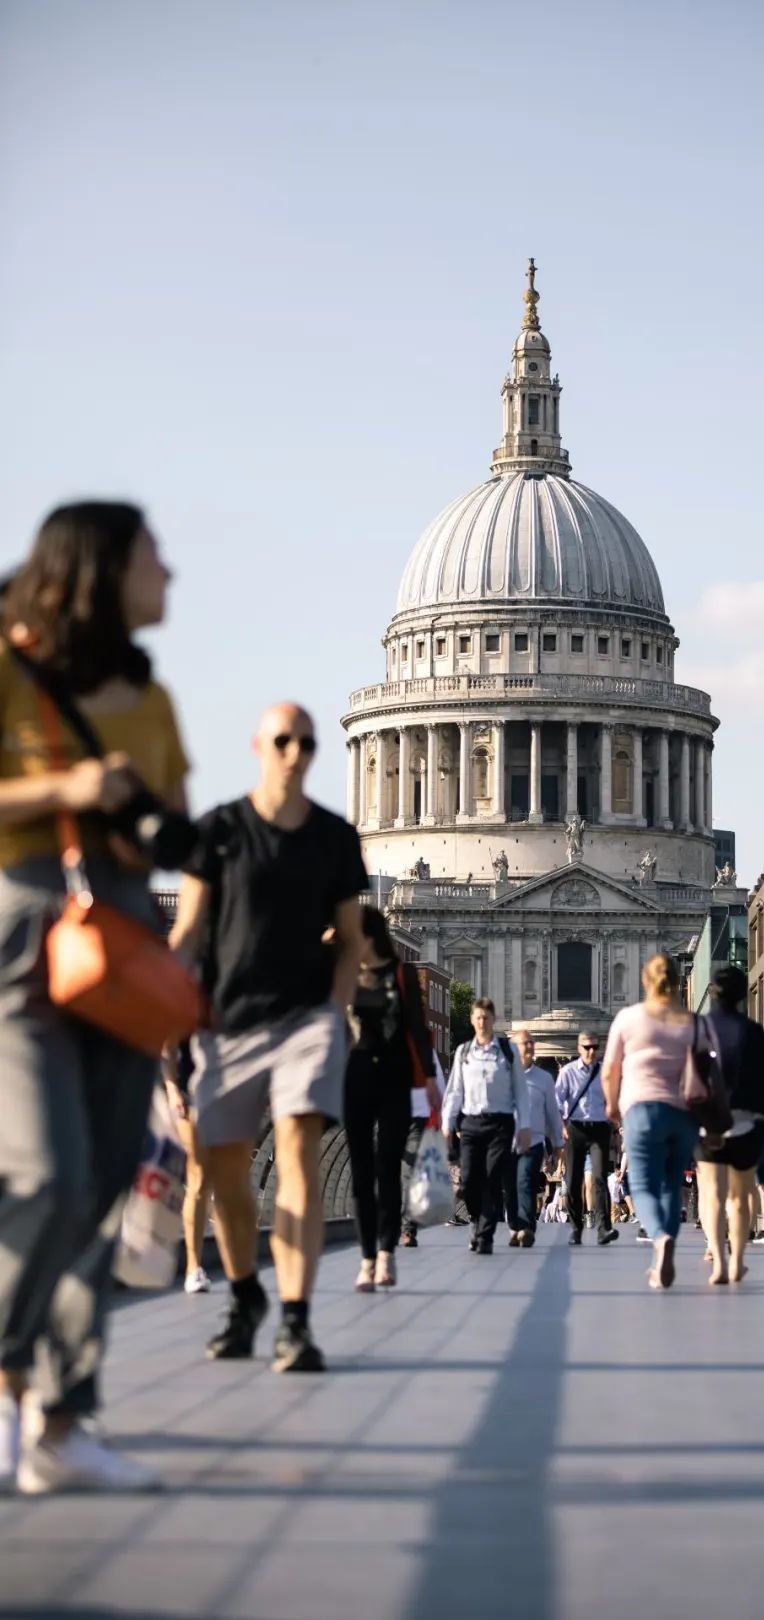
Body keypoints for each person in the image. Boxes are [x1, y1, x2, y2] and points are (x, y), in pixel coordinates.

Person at [0, 501, 189, 1493]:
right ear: (102, 571)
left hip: (121, 938)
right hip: (24, 931)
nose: (173, 573)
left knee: (107, 1176)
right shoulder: (10, 669)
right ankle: (6, 1380)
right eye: (155, 558)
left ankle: (60, 1423)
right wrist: (70, 792)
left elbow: (173, 822)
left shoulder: (148, 697)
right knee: (43, 1174)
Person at [171, 703, 366, 1374]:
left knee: (299, 1155)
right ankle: (247, 1292)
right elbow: (188, 933)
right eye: (282, 740)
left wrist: (337, 1008)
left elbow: (351, 938)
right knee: (226, 1176)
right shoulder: (220, 831)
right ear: (258, 744)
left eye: (306, 743)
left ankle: (296, 1317)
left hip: (306, 1019)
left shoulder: (336, 838)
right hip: (228, 1022)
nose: (294, 752)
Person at [344, 905, 439, 1291]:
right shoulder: (345, 976)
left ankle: (386, 1253)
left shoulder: (402, 974)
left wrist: (431, 1079)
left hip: (396, 1079)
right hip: (356, 1077)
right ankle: (367, 1257)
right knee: (361, 1174)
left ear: (370, 937)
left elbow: (417, 1028)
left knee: (387, 1167)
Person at [602, 955, 699, 1290]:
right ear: (676, 982)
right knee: (672, 1184)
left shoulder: (628, 1019)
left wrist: (613, 1105)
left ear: (644, 980)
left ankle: (659, 1238)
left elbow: (610, 1069)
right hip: (681, 1112)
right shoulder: (690, 1021)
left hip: (640, 1111)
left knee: (642, 1185)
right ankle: (665, 1247)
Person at [697, 967, 764, 1286]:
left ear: (712, 993)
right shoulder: (753, 1032)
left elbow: (687, 1078)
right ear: (743, 995)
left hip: (708, 1123)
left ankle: (717, 1260)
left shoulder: (698, 1030)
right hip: (744, 1122)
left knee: (714, 1195)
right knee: (741, 1195)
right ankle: (738, 1261)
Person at [442, 997, 530, 1253]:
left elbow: (520, 1092)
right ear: (472, 1020)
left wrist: (524, 1126)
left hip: (500, 1123)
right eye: (478, 1017)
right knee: (469, 1179)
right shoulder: (463, 1052)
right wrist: (448, 1124)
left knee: (492, 1178)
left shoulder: (507, 1051)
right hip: (471, 1122)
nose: (482, 1022)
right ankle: (477, 1221)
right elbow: (454, 1091)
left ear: (493, 1019)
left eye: (486, 1017)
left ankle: (486, 1233)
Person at [556, 1032, 619, 1247]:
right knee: (573, 1179)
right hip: (576, 1128)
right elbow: (557, 1100)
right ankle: (576, 1227)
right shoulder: (567, 1072)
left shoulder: (604, 1072)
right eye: (587, 1047)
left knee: (600, 1177)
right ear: (578, 1049)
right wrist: (562, 1125)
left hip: (600, 1128)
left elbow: (613, 1098)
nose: (591, 1051)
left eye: (595, 1047)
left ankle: (603, 1228)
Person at [163, 1041, 212, 1294]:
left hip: (223, 1090)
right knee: (199, 1178)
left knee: (213, 1181)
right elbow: (168, 1045)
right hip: (188, 1094)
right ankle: (193, 1268)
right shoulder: (194, 1001)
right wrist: (172, 1090)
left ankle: (238, 1270)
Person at [508, 1029, 562, 1248]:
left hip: (534, 1141)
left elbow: (553, 1112)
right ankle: (515, 1226)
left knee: (526, 1182)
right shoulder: (503, 1076)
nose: (530, 1046)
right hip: (507, 1141)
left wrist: (558, 1143)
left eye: (532, 1042)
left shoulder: (544, 1078)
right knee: (510, 1187)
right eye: (525, 1043)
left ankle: (526, 1228)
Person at [401, 1050, 446, 1249]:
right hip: (387, 1115)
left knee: (411, 1172)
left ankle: (408, 1228)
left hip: (417, 1117)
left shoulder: (423, 1046)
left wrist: (444, 1121)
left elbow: (440, 1086)